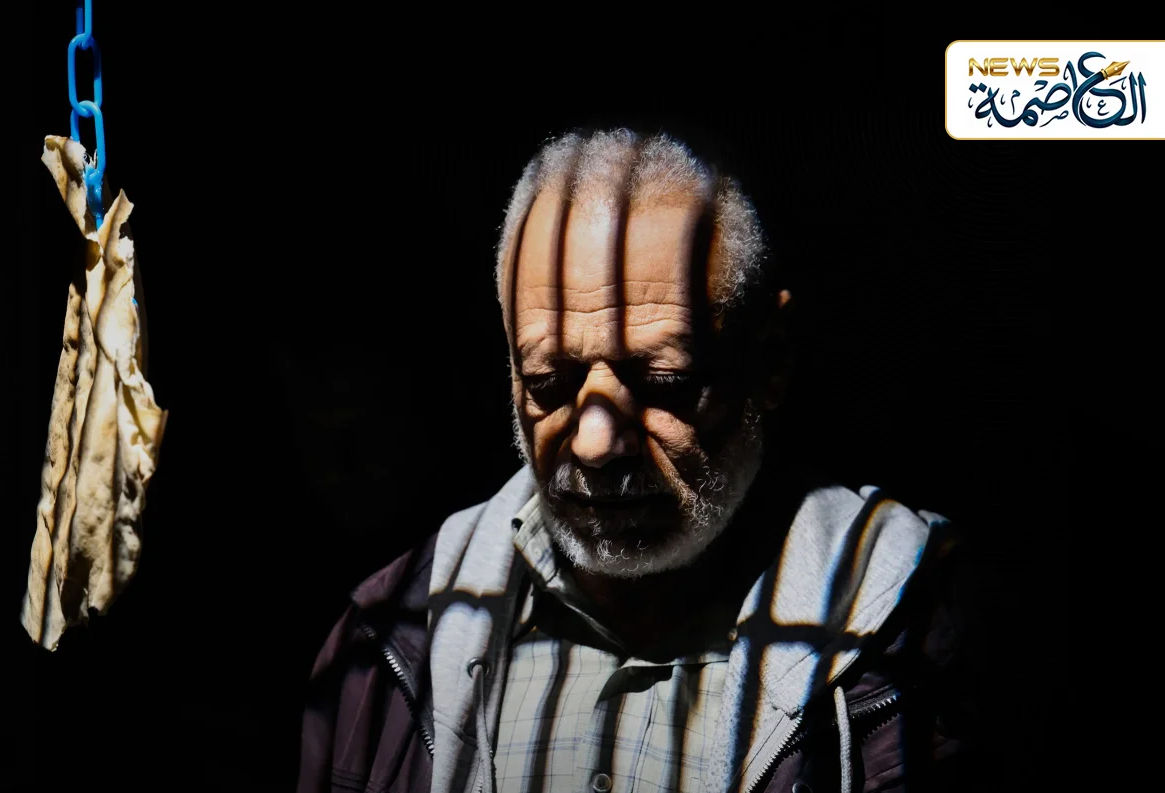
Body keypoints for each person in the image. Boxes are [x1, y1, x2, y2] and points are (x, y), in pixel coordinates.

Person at [299, 128, 976, 793]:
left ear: (769, 362)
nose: (596, 444)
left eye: (662, 383)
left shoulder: (913, 629)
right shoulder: (391, 637)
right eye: (547, 383)